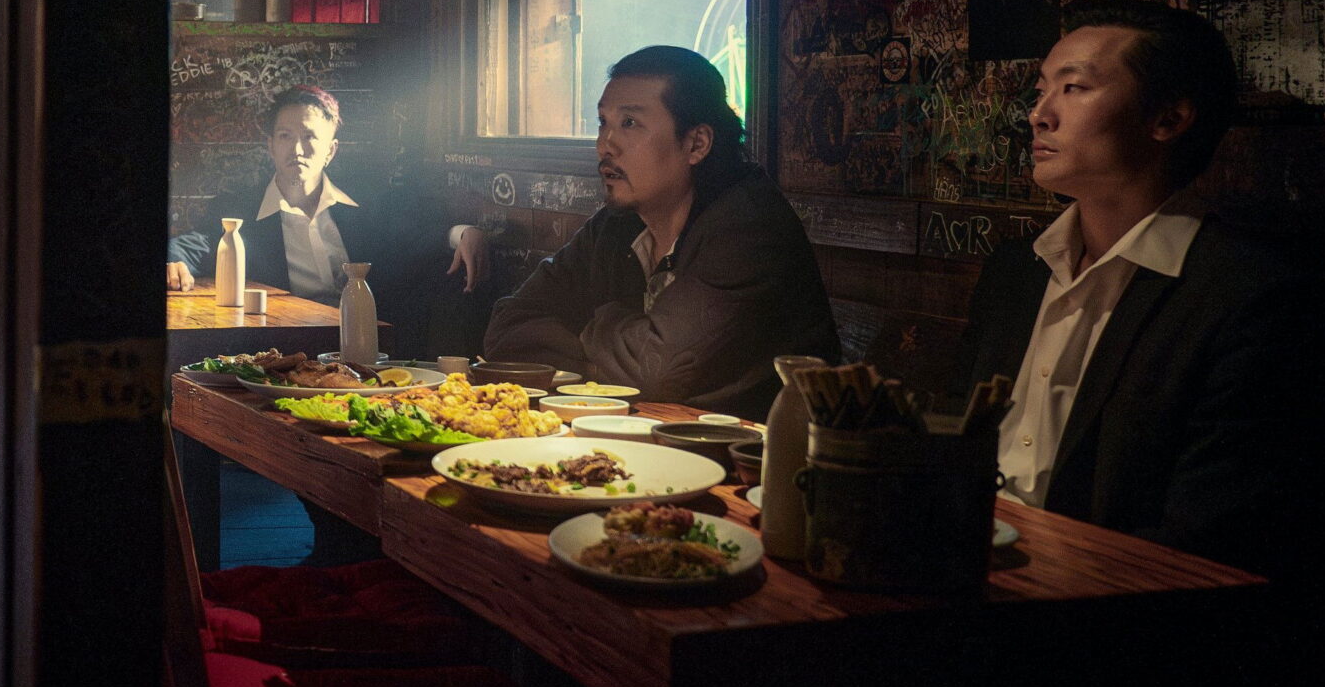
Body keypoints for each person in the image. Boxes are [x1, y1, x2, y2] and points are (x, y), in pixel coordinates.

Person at [959, 0, 1325, 687]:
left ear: (1169, 119)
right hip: (978, 623)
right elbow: (959, 452)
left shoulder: (1255, 302)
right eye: (1041, 87)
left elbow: (1207, 557)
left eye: (1074, 86)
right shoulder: (1017, 273)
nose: (1039, 112)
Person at [480, 46, 837, 415]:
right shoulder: (617, 223)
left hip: (759, 445)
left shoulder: (750, 228)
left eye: (629, 123)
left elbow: (656, 370)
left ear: (697, 144)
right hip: (646, 434)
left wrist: (591, 325)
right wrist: (610, 354)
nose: (605, 145)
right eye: (603, 122)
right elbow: (506, 326)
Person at [165, 85, 441, 310]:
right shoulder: (241, 210)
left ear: (330, 151)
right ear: (271, 146)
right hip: (285, 343)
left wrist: (460, 234)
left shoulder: (365, 205)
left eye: (309, 137)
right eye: (285, 136)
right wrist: (172, 261)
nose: (297, 149)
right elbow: (192, 245)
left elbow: (415, 236)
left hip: (365, 342)